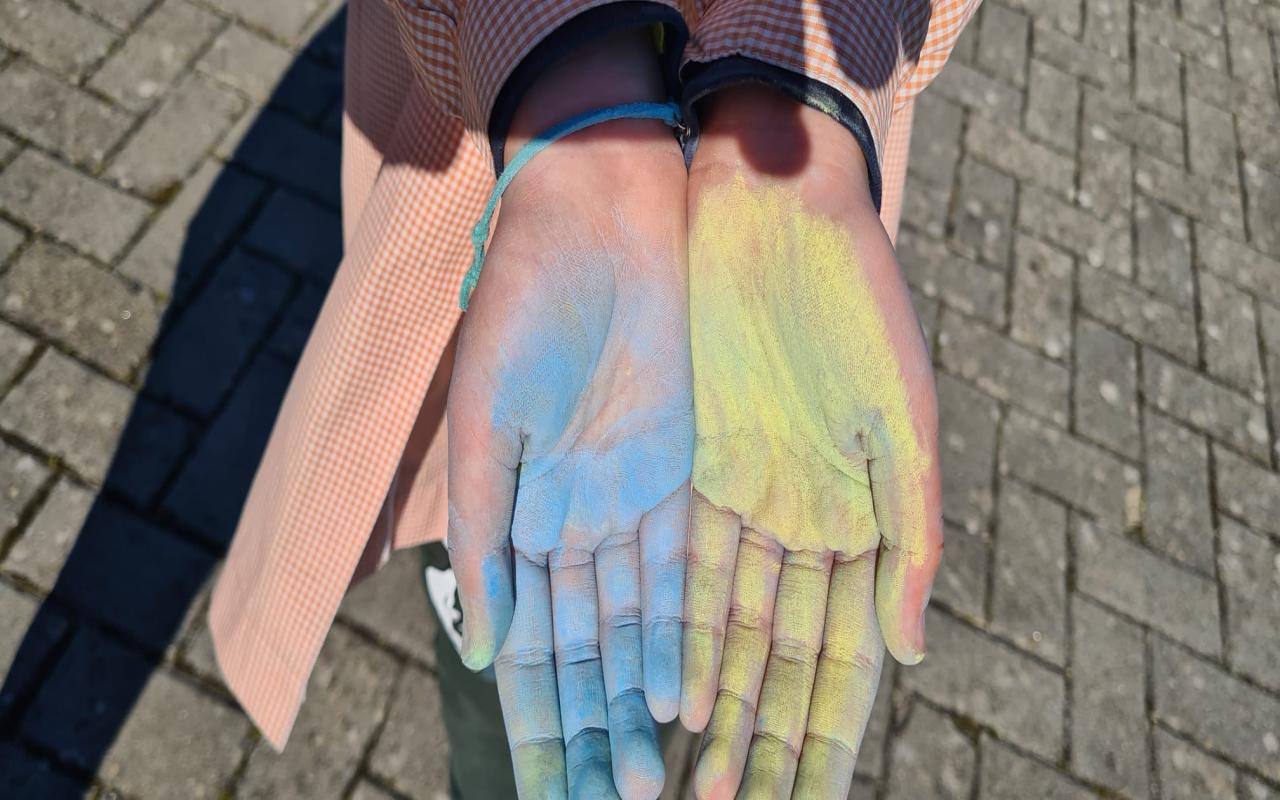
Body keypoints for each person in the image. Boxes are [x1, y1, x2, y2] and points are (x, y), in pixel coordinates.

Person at [209, 1, 977, 797]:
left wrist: (793, 102)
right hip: (498, 187)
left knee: (669, 650)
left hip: (796, 251)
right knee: (519, 606)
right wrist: (570, 89)